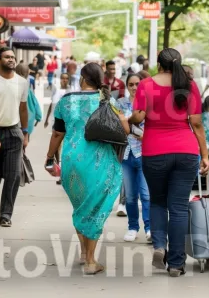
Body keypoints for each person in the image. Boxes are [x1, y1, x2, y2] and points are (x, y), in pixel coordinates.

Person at [129, 48, 209, 277]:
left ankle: (158, 246)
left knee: (157, 202)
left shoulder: (146, 85)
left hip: (154, 150)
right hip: (185, 151)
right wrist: (205, 154)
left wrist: (130, 117)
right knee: (179, 207)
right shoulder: (189, 85)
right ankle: (176, 263)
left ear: (158, 63)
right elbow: (197, 124)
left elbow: (139, 116)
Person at [45, 63, 130, 275]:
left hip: (72, 161)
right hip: (100, 161)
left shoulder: (66, 101)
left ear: (83, 78)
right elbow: (125, 130)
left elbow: (57, 134)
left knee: (80, 205)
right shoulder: (108, 101)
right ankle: (91, 261)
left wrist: (49, 158)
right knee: (95, 208)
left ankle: (84, 252)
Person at [0, 48, 30, 228]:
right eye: (7, 57)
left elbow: (23, 108)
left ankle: (6, 214)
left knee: (13, 175)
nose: (11, 60)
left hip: (13, 131)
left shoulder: (22, 82)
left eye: (13, 57)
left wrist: (25, 133)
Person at [116, 74, 151, 243]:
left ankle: (150, 227)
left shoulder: (148, 103)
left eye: (137, 84)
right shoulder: (120, 103)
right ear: (127, 85)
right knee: (130, 196)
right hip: (127, 154)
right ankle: (132, 227)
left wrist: (130, 126)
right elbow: (119, 127)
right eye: (131, 84)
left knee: (146, 194)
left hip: (145, 153)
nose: (134, 87)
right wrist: (135, 130)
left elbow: (150, 126)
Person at [16, 64, 43, 136]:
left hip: (14, 122)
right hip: (28, 120)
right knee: (24, 141)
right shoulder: (28, 89)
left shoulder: (11, 85)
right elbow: (35, 103)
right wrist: (38, 117)